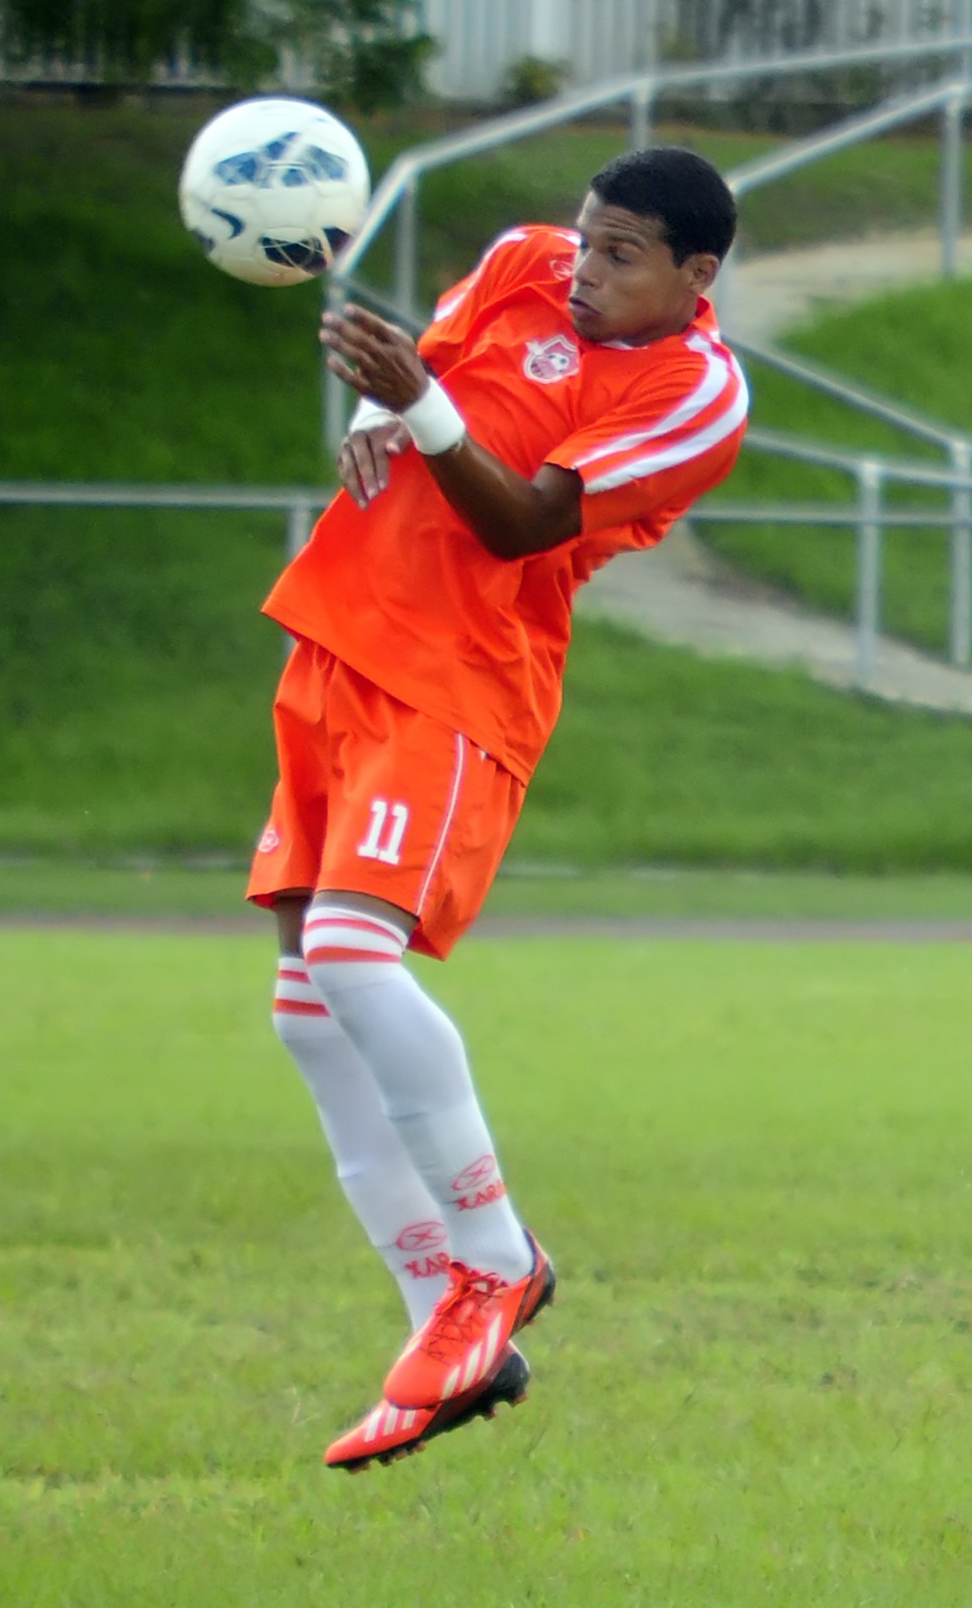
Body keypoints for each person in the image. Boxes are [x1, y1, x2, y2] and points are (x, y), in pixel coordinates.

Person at [247, 145, 749, 1471]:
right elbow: (448, 366)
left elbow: (526, 523)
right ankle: (453, 1332)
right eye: (588, 240)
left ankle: (495, 1259)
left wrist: (415, 410)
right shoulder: (526, 263)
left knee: (356, 956)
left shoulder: (695, 392)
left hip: (459, 682)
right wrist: (386, 405)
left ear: (697, 275)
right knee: (306, 1010)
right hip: (340, 640)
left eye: (623, 255)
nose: (585, 272)